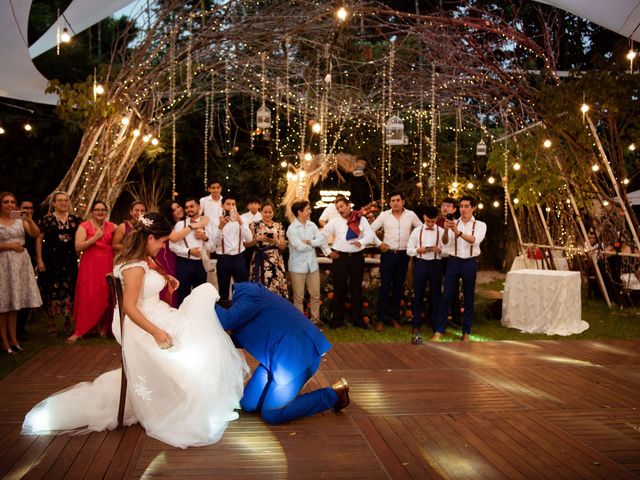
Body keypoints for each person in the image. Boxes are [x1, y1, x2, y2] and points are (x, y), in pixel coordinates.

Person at [22, 213, 248, 448]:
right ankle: (196, 399)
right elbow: (129, 307)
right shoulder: (135, 266)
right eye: (161, 242)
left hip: (153, 313)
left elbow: (143, 287)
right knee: (194, 332)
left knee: (199, 327)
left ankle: (200, 396)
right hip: (139, 324)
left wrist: (166, 278)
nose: (163, 247)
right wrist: (157, 332)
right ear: (150, 238)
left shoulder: (141, 259)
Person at [215, 282, 349, 424]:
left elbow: (226, 320)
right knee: (248, 404)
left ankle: (334, 394)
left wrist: (205, 301)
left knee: (272, 413)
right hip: (275, 359)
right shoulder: (239, 319)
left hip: (299, 355)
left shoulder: (249, 294)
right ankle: (277, 394)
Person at [432, 196, 486, 342]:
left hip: (469, 262)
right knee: (446, 295)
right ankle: (439, 330)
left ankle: (466, 331)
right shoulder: (452, 222)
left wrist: (459, 233)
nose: (463, 209)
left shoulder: (480, 225)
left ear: (473, 208)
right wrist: (445, 230)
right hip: (454, 262)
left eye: (466, 206)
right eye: (461, 206)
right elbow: (444, 243)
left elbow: (475, 240)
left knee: (469, 297)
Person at [369, 192, 422, 332]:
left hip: (403, 255)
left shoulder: (410, 215)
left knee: (398, 287)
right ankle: (380, 319)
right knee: (385, 287)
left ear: (403, 202)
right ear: (389, 203)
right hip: (388, 254)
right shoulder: (384, 215)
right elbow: (370, 230)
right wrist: (379, 244)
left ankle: (394, 318)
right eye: (393, 201)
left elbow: (421, 230)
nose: (396, 203)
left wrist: (414, 244)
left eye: (398, 200)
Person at [67, 201, 116, 343]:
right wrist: (94, 239)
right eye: (97, 210)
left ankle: (102, 327)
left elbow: (124, 234)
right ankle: (82, 329)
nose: (100, 212)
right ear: (92, 212)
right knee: (88, 294)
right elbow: (77, 246)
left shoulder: (112, 226)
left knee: (105, 294)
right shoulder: (84, 227)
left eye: (103, 210)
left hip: (107, 263)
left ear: (106, 212)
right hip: (90, 265)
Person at [322, 198, 375, 328]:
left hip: (357, 257)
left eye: (342, 206)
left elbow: (369, 236)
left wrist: (361, 242)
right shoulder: (334, 222)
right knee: (339, 288)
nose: (340, 210)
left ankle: (357, 320)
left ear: (348, 205)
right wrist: (328, 252)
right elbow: (322, 236)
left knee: (356, 288)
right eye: (338, 208)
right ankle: (337, 320)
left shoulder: (361, 219)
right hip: (340, 258)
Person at [0, 192, 42, 354]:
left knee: (14, 304)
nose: (10, 205)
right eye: (6, 202)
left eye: (12, 202)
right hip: (4, 263)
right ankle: (4, 341)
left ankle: (14, 338)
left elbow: (35, 234)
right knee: (3, 304)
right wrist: (10, 247)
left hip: (19, 264)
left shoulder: (19, 220)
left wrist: (29, 219)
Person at [36, 191, 81, 336]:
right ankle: (51, 322)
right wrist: (39, 260)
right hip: (51, 261)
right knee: (51, 292)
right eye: (59, 200)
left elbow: (82, 237)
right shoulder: (47, 220)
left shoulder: (76, 219)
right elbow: (38, 239)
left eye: (65, 200)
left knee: (70, 291)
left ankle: (68, 320)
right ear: (54, 203)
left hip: (69, 262)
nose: (63, 203)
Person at [406, 205, 448, 345]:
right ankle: (415, 325)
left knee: (436, 296)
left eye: (433, 221)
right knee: (418, 295)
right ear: (424, 217)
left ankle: (436, 326)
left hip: (436, 265)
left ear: (437, 219)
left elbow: (448, 251)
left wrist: (439, 250)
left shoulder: (442, 232)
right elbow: (408, 250)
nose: (430, 223)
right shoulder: (416, 231)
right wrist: (419, 250)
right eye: (428, 221)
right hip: (421, 264)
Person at [286, 200, 327, 326]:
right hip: (297, 267)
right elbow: (298, 247)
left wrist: (309, 242)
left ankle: (315, 321)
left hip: (312, 266)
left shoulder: (312, 225)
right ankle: (300, 323)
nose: (310, 211)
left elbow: (320, 240)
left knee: (315, 295)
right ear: (300, 212)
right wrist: (311, 243)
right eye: (307, 209)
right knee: (299, 297)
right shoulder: (292, 229)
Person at [169, 198, 215, 306]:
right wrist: (189, 252)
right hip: (184, 264)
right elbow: (172, 246)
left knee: (200, 297)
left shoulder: (206, 224)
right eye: (187, 207)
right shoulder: (180, 225)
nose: (189, 209)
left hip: (200, 265)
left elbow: (212, 248)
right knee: (183, 296)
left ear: (199, 207)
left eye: (192, 206)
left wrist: (205, 238)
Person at [213, 194, 252, 301]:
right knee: (223, 290)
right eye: (228, 204)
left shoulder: (243, 219)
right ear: (222, 206)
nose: (231, 206)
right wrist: (220, 227)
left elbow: (249, 238)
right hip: (223, 259)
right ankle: (225, 313)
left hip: (239, 258)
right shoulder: (216, 220)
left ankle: (241, 313)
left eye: (233, 204)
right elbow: (214, 243)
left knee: (242, 289)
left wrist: (240, 222)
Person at [246, 201, 288, 299]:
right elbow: (246, 245)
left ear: (273, 212)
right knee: (260, 287)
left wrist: (276, 241)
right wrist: (257, 239)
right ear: (261, 212)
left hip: (276, 261)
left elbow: (283, 247)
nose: (268, 214)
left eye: (270, 212)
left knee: (276, 288)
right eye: (265, 212)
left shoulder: (279, 226)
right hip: (259, 259)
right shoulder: (253, 225)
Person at [437, 197, 462, 328]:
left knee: (453, 289)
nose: (445, 207)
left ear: (454, 209)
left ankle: (456, 319)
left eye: (448, 205)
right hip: (438, 259)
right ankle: (437, 317)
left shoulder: (458, 223)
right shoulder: (435, 222)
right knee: (437, 287)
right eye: (443, 205)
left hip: (452, 259)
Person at [17, 197, 37, 339]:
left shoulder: (28, 222)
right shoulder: (14, 221)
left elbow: (35, 234)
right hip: (13, 259)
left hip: (27, 259)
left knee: (26, 293)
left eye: (30, 208)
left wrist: (29, 219)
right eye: (25, 208)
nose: (27, 211)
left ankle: (21, 327)